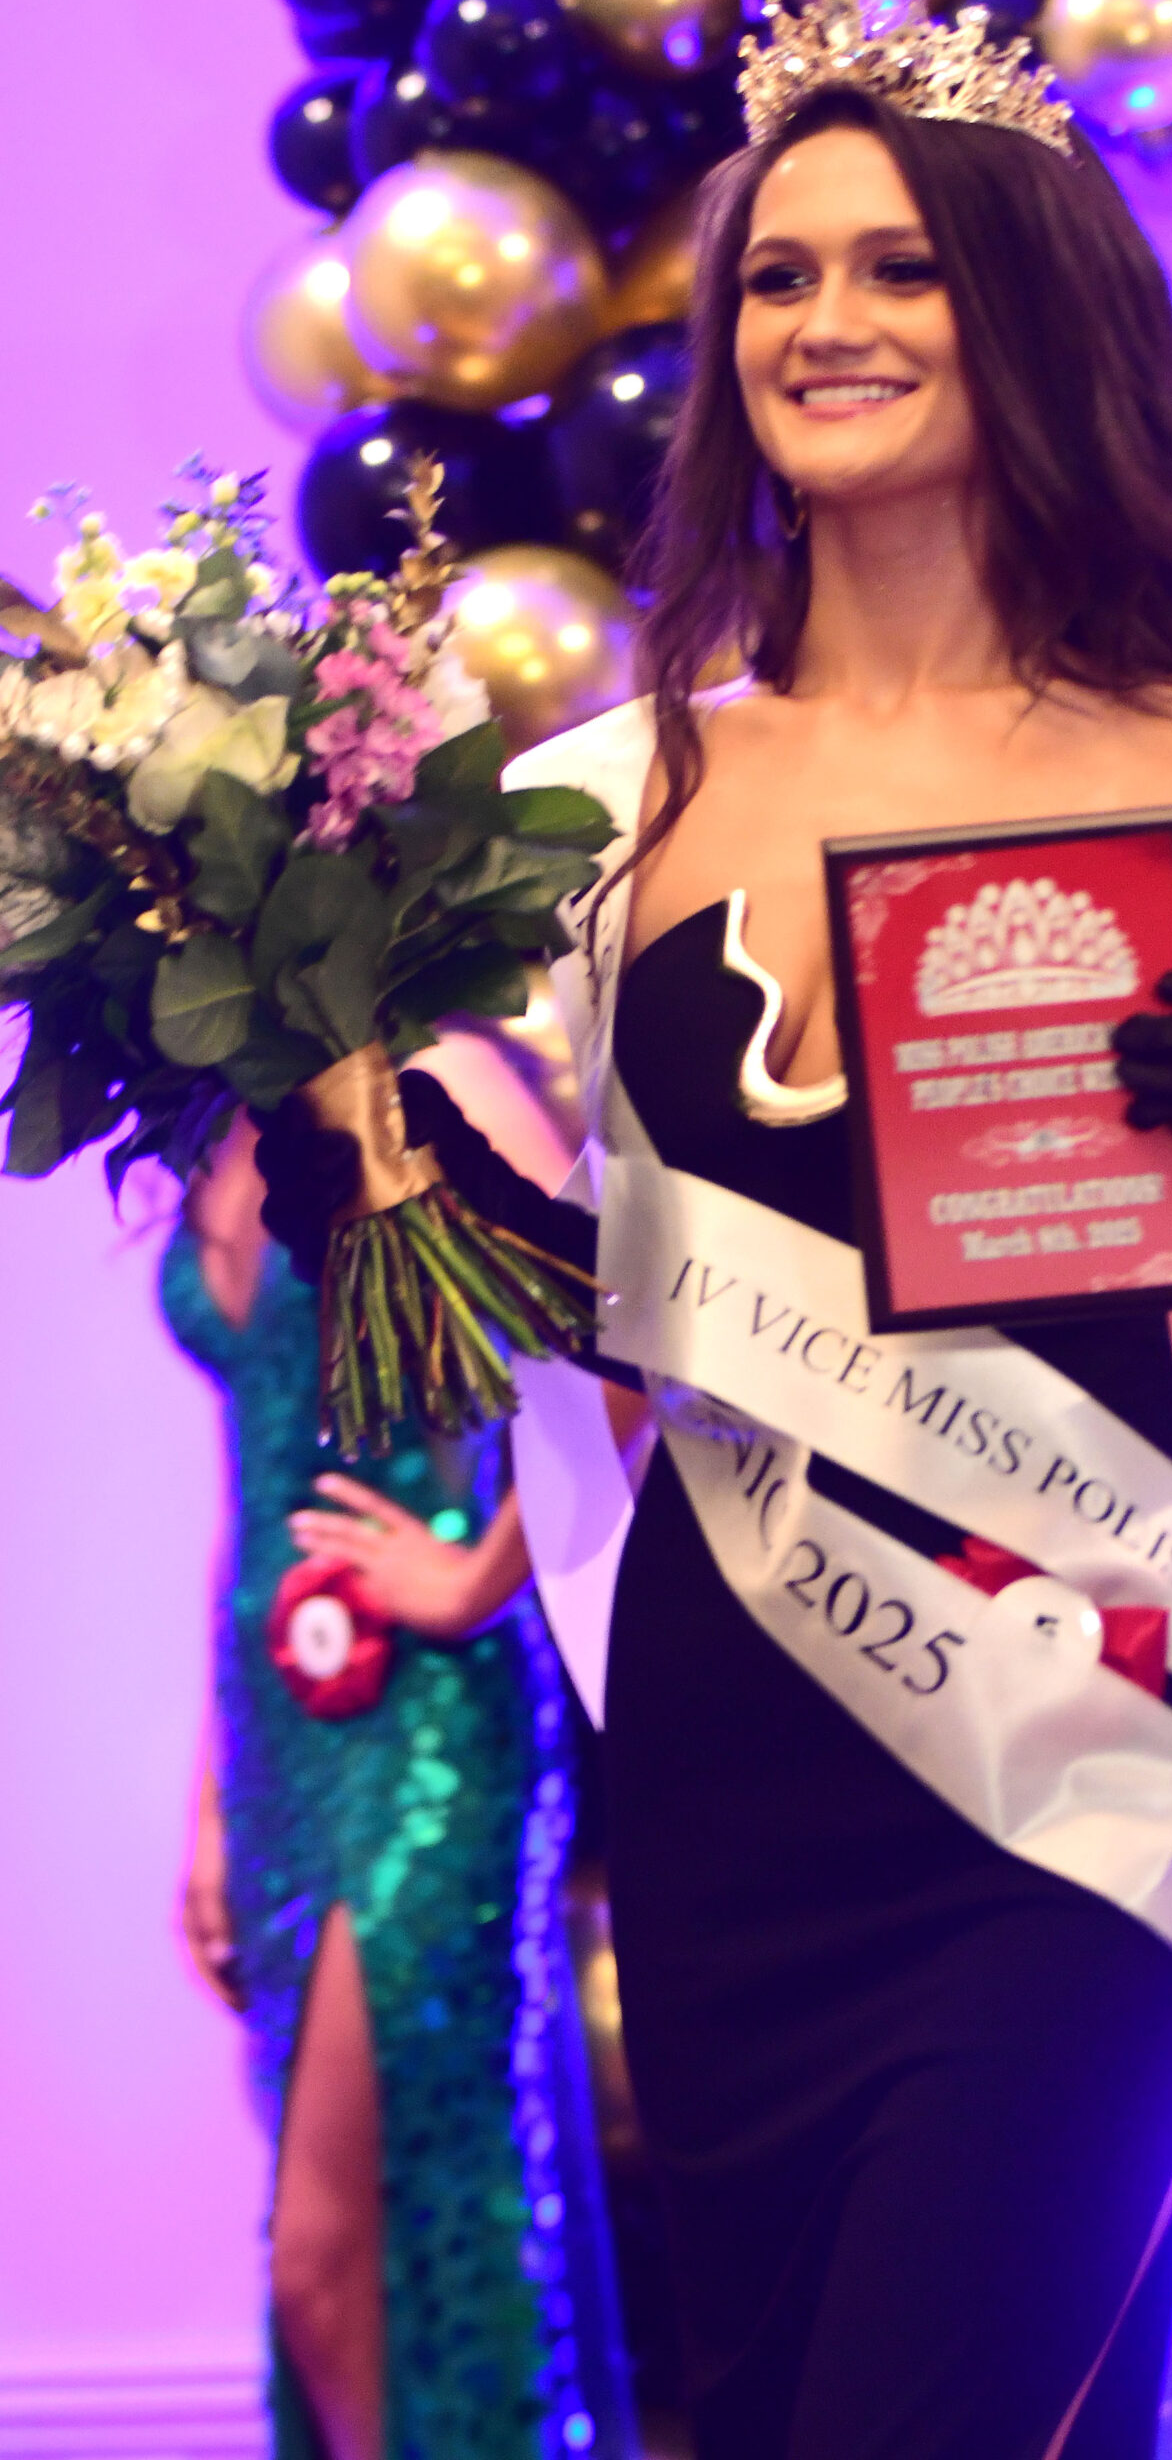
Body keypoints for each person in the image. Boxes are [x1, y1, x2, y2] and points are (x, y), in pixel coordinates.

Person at [259, 0, 1172, 2460]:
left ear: (1024, 308)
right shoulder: (616, 795)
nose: (828, 321)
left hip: (1085, 1713)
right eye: (780, 274)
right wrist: (343, 1152)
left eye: (900, 266)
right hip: (740, 1729)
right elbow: (561, 1306)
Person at [167, 1029, 637, 2460]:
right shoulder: (204, 1103)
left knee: (342, 2247)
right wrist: (207, 1807)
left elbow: (637, 1330)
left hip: (430, 1723)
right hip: (275, 1744)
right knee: (347, 2241)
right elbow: (252, 1496)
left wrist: (479, 1573)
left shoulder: (441, 1074)